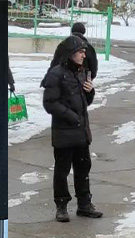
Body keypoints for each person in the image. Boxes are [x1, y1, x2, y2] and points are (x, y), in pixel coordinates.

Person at [43, 37, 102, 221]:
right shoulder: (56, 74)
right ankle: (61, 206)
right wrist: (71, 117)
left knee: (83, 168)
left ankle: (84, 204)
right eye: (80, 52)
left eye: (84, 52)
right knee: (62, 171)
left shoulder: (81, 72)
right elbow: (50, 103)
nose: (84, 55)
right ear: (70, 54)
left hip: (81, 132)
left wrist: (90, 92)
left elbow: (85, 102)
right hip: (64, 132)